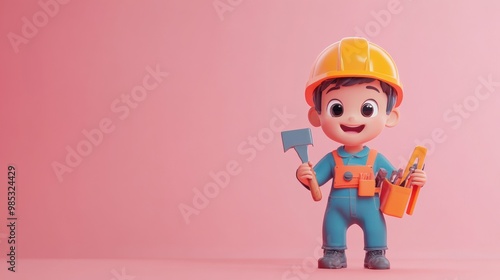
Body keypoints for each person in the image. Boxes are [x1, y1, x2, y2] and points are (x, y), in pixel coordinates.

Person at [296, 37, 426, 270]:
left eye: (368, 109)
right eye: (337, 108)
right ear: (316, 116)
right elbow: (314, 181)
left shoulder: (376, 159)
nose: (352, 118)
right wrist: (304, 174)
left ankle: (375, 252)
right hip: (336, 208)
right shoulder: (332, 159)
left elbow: (397, 180)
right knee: (332, 226)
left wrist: (412, 180)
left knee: (375, 225)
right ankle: (334, 252)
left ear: (390, 116)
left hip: (371, 206)